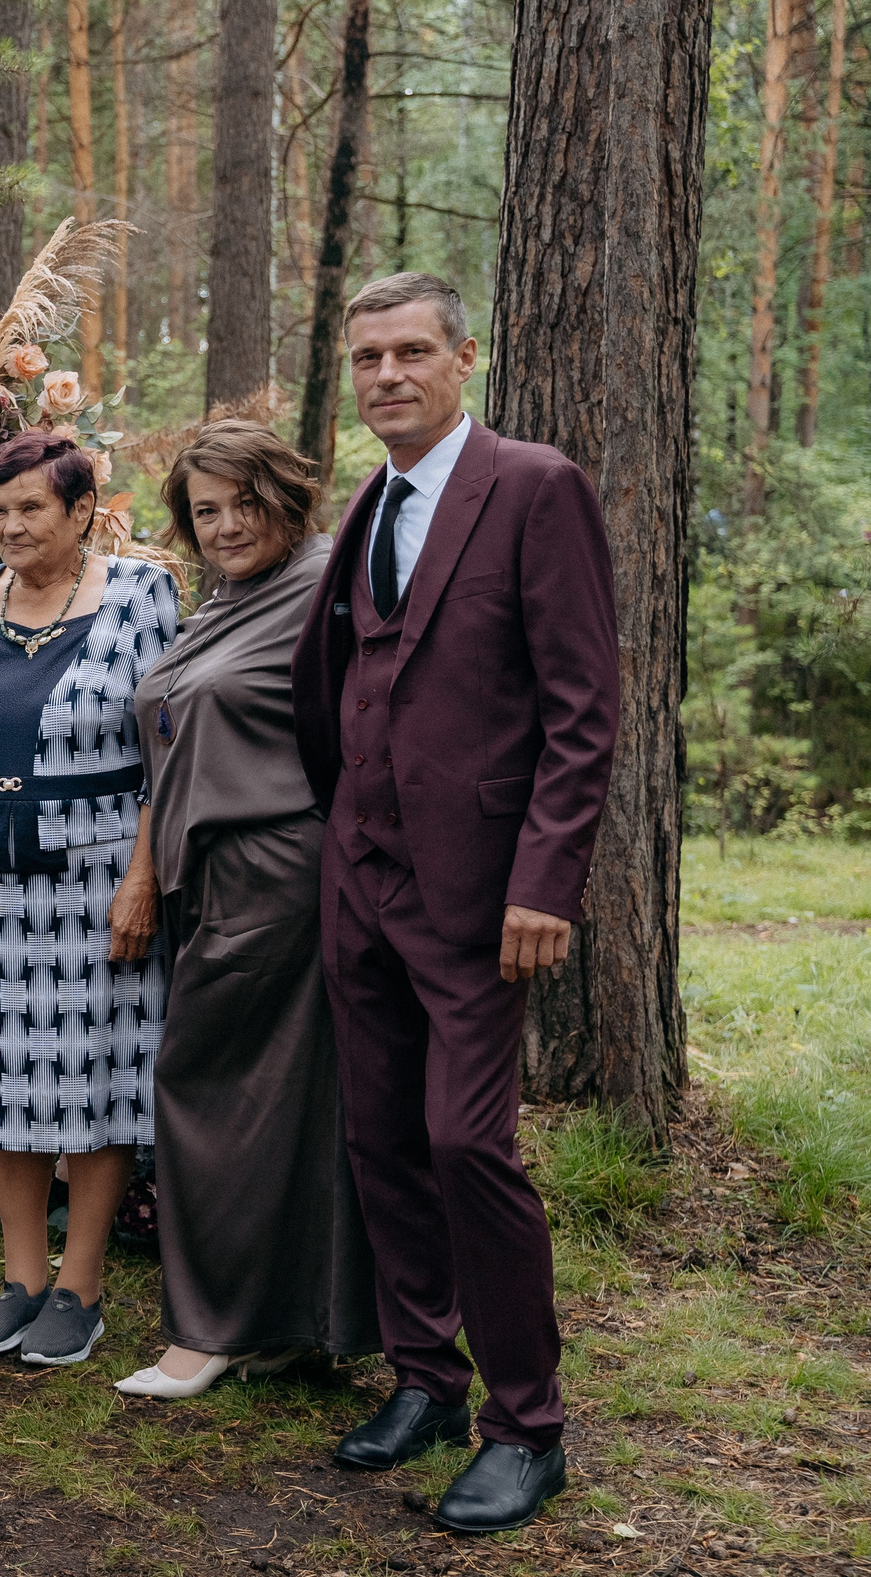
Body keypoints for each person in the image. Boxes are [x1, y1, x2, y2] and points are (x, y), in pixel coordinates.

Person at [292, 272, 619, 1534]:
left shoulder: (533, 487)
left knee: (465, 1142)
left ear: (462, 358)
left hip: (484, 900)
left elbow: (581, 713)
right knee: (376, 1134)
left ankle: (525, 1423)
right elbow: (340, 680)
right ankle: (423, 1374)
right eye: (367, 357)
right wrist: (341, 831)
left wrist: (545, 881)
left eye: (411, 352)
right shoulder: (366, 498)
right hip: (361, 878)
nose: (386, 375)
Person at [110, 421, 380, 1400]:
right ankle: (294, 1323)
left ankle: (206, 1331)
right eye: (204, 510)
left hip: (274, 867)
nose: (224, 526)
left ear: (286, 497)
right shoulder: (231, 598)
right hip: (214, 873)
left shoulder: (324, 587)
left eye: (242, 503)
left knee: (206, 1091)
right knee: (282, 1108)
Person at [0, 434, 178, 1369]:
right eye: (0, 508)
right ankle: (23, 1278)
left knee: (92, 1072)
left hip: (100, 873)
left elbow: (166, 754)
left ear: (80, 511)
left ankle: (82, 1286)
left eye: (32, 508)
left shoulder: (142, 596)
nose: (12, 525)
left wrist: (144, 876)